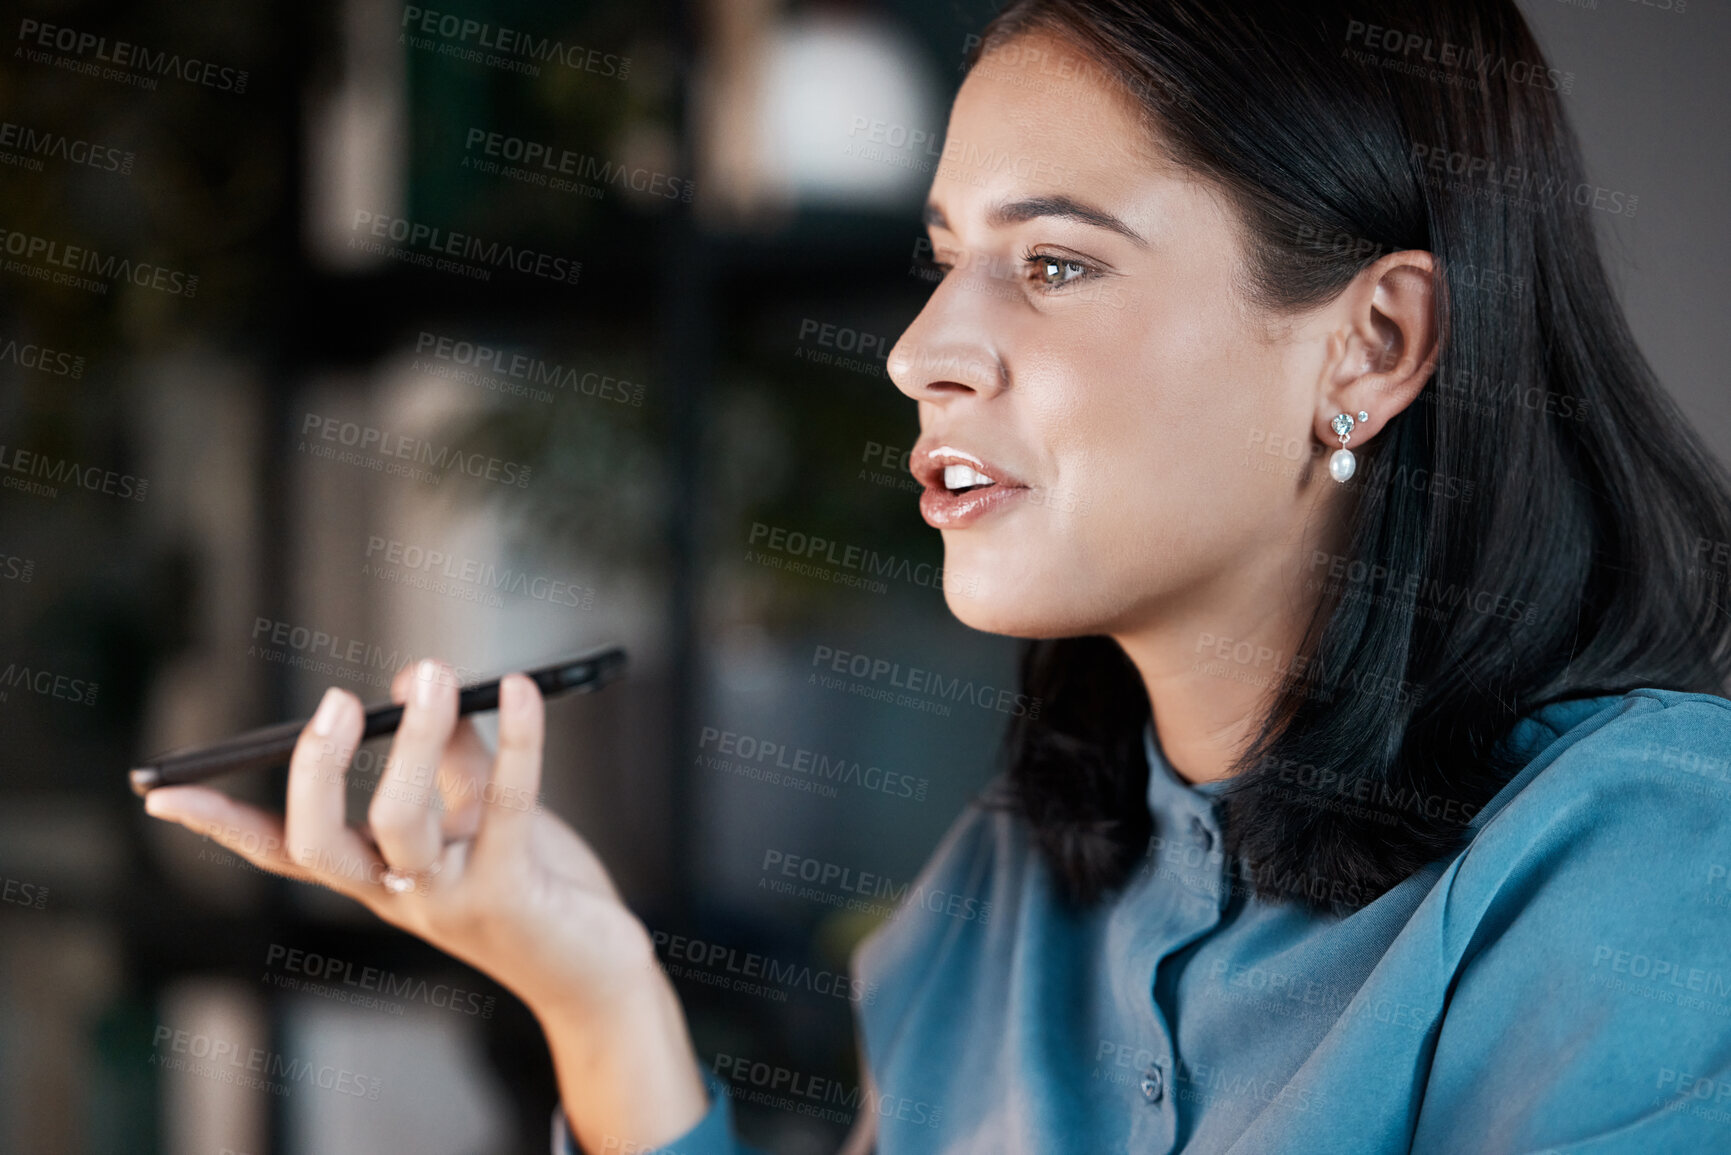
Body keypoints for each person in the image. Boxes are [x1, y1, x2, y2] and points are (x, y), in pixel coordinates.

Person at [144, 0, 1731, 1151]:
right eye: (943, 258)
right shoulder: (1013, 879)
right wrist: (590, 982)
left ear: (1373, 344)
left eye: (1052, 265)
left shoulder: (1642, 865)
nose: (921, 351)